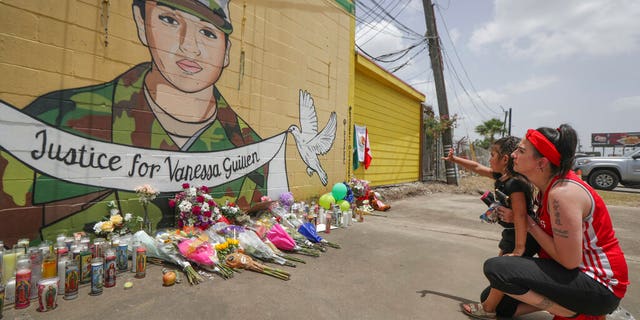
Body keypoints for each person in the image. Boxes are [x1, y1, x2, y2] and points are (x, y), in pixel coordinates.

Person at [0, 0, 269, 241]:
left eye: (208, 33)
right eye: (170, 20)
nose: (190, 46)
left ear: (227, 51)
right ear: (142, 23)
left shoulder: (251, 150)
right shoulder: (56, 120)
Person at [482, 124, 629, 319]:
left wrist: (528, 223)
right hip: (577, 274)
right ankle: (573, 306)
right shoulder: (548, 187)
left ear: (541, 163)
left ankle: (568, 311)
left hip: (599, 285)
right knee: (495, 296)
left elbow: (569, 261)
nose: (515, 154)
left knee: (498, 269)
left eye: (522, 150)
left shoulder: (563, 194)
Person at [443, 137, 539, 318]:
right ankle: (494, 305)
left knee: (501, 274)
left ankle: (488, 309)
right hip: (512, 234)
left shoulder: (516, 184)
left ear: (504, 159)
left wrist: (519, 249)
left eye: (492, 155)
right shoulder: (502, 177)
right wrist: (455, 160)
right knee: (501, 273)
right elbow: (477, 168)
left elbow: (520, 216)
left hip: (523, 237)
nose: (489, 159)